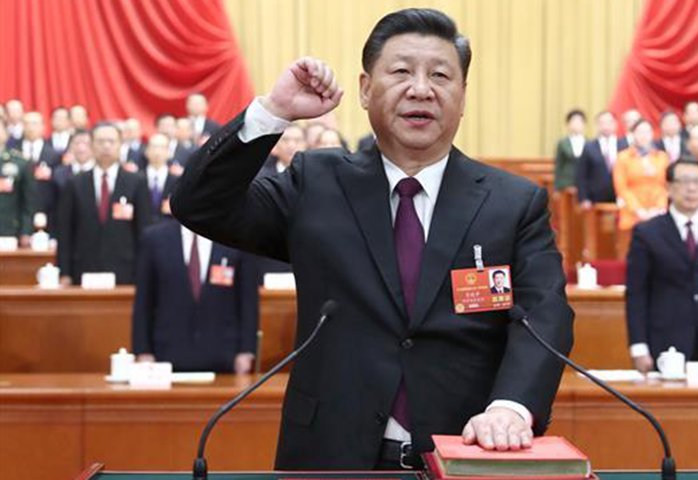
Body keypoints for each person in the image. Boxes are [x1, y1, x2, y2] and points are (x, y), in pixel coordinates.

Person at [171, 8, 573, 470]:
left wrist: (511, 408)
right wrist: (273, 112)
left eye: (440, 75)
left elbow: (545, 313)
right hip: (330, 455)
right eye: (401, 71)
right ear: (365, 89)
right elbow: (198, 204)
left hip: (463, 453)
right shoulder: (315, 182)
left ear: (463, 96)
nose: (420, 89)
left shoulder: (512, 202)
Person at [626, 159, 698, 373]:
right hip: (666, 341)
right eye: (684, 181)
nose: (691, 188)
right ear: (669, 187)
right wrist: (638, 346)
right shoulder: (647, 233)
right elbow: (636, 293)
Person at [132, 219, 259, 373]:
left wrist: (246, 350)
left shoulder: (236, 238)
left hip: (224, 357)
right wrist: (143, 351)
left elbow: (248, 301)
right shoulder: (154, 238)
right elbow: (143, 302)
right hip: (166, 358)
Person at [57, 122, 151, 285]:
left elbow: (143, 230)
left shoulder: (136, 182)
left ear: (120, 145)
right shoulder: (75, 183)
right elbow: (65, 232)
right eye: (100, 141)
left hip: (126, 271)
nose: (106, 146)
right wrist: (64, 272)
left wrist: (143, 272)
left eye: (111, 141)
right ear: (92, 145)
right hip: (83, 269)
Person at [613, 119, 669, 255]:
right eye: (640, 132)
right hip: (632, 212)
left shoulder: (662, 157)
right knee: (631, 253)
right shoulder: (623, 157)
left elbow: (666, 186)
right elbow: (621, 188)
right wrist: (638, 211)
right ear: (633, 134)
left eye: (647, 131)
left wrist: (658, 208)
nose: (644, 135)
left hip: (657, 211)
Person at [51, 130, 95, 236]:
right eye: (77, 143)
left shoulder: (100, 173)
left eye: (86, 143)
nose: (81, 148)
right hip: (66, 231)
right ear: (70, 147)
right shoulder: (59, 174)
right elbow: (53, 206)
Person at [0, 119, 36, 245]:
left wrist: (26, 231)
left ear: (6, 134)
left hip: (8, 230)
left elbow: (29, 201)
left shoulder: (20, 162)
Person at [576, 111, 621, 207]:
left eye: (609, 122)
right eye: (602, 123)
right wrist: (584, 198)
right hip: (595, 199)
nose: (606, 126)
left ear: (615, 124)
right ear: (597, 125)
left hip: (621, 197)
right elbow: (581, 175)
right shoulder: (589, 147)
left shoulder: (624, 145)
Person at [142, 133, 179, 223]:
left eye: (162, 147)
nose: (157, 152)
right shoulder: (137, 179)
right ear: (146, 151)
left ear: (169, 152)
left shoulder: (177, 182)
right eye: (153, 147)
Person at [553, 109, 585, 192]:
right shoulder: (562, 143)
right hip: (566, 183)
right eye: (573, 121)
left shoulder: (589, 143)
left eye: (579, 121)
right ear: (568, 124)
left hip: (584, 182)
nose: (577, 124)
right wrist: (556, 187)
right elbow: (559, 165)